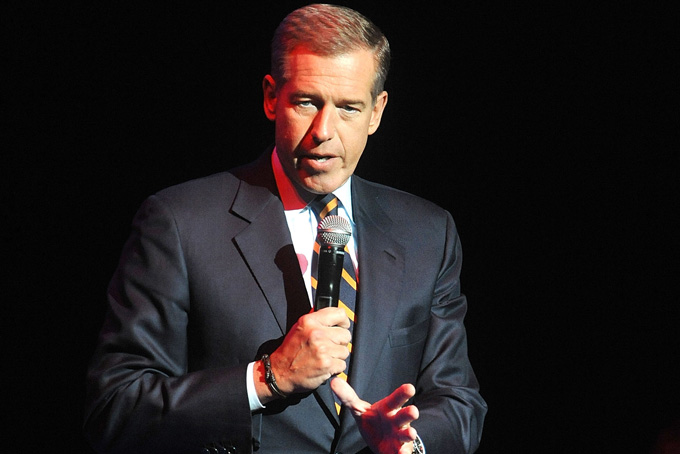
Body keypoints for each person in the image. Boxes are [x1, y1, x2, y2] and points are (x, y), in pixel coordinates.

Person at [84, 4, 487, 453]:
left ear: (377, 112)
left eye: (349, 108)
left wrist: (409, 444)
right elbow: (115, 409)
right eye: (307, 102)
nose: (323, 131)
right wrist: (268, 378)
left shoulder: (428, 233)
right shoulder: (178, 223)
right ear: (271, 97)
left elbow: (459, 401)